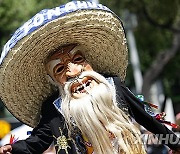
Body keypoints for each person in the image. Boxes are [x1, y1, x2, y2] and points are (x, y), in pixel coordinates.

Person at [0, 1, 179, 154]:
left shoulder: (112, 85)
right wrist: (13, 149)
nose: (74, 72)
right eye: (61, 69)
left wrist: (176, 144)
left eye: (78, 59)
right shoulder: (53, 110)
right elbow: (38, 141)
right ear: (53, 80)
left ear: (88, 60)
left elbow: (148, 120)